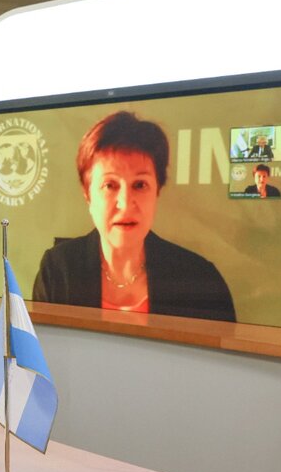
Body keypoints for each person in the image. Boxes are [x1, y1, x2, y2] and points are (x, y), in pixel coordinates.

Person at [32, 111, 236, 322]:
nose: (125, 203)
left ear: (157, 191)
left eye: (139, 185)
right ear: (88, 195)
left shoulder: (200, 281)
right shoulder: (58, 271)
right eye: (110, 185)